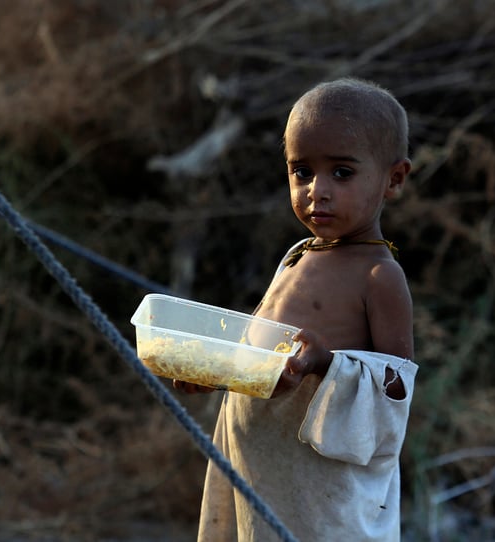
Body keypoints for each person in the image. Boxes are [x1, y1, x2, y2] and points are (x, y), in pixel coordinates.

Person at [174, 77, 418, 541]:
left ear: (394, 178)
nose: (316, 190)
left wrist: (328, 365)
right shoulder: (297, 256)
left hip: (320, 492)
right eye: (301, 171)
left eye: (342, 173)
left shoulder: (379, 277)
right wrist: (212, 370)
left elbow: (394, 392)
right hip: (258, 470)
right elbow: (256, 351)